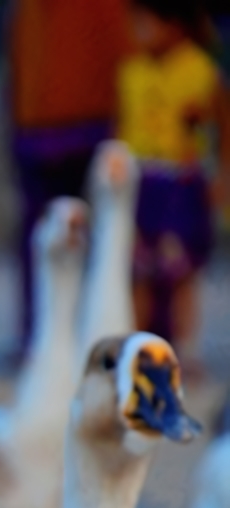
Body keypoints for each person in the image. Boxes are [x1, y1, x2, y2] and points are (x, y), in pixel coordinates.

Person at [6, 0, 130, 353]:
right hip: (38, 110)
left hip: (97, 105)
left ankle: (105, 336)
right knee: (44, 231)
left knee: (109, 235)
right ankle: (42, 337)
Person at [117, 0, 228, 360]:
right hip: (142, 179)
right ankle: (137, 346)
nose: (140, 32)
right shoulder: (131, 72)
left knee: (178, 269)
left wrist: (221, 175)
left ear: (175, 23)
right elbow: (120, 129)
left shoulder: (200, 72)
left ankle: (185, 347)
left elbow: (221, 130)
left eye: (147, 23)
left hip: (180, 184)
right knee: (140, 268)